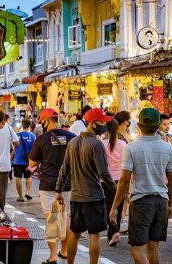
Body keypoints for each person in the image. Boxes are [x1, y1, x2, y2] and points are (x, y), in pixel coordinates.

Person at [109, 107, 172, 264]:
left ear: (138, 125)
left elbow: (125, 181)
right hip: (161, 200)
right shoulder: (167, 147)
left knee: (136, 247)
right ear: (159, 125)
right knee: (154, 246)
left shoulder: (131, 147)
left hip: (140, 201)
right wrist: (171, 203)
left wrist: (114, 207)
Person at [56, 108, 116, 264]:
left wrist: (58, 190)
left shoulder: (72, 142)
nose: (104, 125)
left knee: (74, 233)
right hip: (94, 197)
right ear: (93, 123)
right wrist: (115, 190)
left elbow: (64, 168)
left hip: (76, 197)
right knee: (94, 235)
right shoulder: (96, 144)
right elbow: (103, 172)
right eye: (102, 122)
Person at [29, 108, 77, 264]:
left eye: (41, 121)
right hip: (68, 183)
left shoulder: (42, 139)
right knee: (67, 217)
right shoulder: (72, 137)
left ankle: (53, 256)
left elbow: (32, 163)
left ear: (46, 120)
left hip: (48, 184)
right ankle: (65, 251)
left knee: (52, 218)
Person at [101, 119, 127, 246]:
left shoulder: (102, 144)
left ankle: (113, 231)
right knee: (119, 206)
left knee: (108, 206)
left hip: (106, 180)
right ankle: (112, 233)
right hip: (121, 179)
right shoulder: (123, 144)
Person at [13, 119, 35, 202]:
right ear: (30, 126)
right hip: (28, 161)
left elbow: (14, 147)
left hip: (18, 160)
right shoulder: (32, 136)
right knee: (28, 177)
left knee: (18, 178)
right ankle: (27, 192)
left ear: (22, 125)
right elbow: (34, 148)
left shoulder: (17, 135)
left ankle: (20, 196)